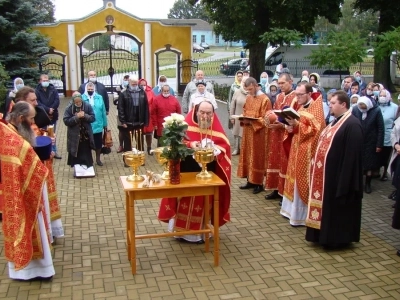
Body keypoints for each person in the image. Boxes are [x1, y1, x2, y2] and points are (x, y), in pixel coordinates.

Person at [158, 101, 231, 243]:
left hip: (207, 175)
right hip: (187, 171)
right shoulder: (186, 125)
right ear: (196, 111)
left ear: (213, 114)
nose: (205, 116)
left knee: (203, 202)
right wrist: (191, 144)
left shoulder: (216, 129)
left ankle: (200, 234)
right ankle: (181, 233)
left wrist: (216, 150)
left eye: (208, 113)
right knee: (184, 199)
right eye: (202, 112)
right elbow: (176, 144)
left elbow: (225, 146)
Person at [1, 101, 55, 280]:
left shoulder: (9, 132)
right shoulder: (13, 139)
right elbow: (32, 167)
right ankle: (35, 271)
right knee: (28, 228)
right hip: (22, 194)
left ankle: (32, 269)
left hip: (19, 192)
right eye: (31, 119)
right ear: (21, 118)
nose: (33, 123)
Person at [306, 90, 363, 248]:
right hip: (326, 177)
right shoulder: (336, 121)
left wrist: (343, 182)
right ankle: (320, 235)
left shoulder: (352, 125)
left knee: (337, 210)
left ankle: (336, 239)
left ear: (343, 104)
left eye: (332, 103)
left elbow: (352, 158)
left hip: (339, 179)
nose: (329, 106)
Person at [14, 87, 64, 240]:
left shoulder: (33, 113)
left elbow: (38, 133)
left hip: (43, 165)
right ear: (22, 101)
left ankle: (48, 231)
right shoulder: (17, 123)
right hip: (31, 172)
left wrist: (48, 143)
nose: (36, 102)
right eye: (33, 100)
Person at [280, 83, 326, 226]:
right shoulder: (300, 106)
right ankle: (289, 211)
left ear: (309, 94)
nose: (297, 97)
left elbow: (316, 131)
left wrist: (296, 125)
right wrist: (290, 126)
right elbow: (297, 128)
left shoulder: (317, 109)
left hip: (307, 152)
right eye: (296, 94)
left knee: (302, 180)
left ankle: (300, 216)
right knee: (292, 178)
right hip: (296, 148)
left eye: (300, 95)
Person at [264, 73, 300, 201]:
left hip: (287, 134)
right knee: (275, 160)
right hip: (276, 134)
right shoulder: (278, 96)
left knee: (285, 162)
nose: (280, 86)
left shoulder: (296, 97)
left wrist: (283, 124)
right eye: (279, 83)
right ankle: (275, 188)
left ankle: (284, 192)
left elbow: (296, 117)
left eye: (283, 83)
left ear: (290, 82)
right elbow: (274, 111)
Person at [237, 77, 272, 194]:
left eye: (251, 89)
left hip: (259, 134)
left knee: (257, 157)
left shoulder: (265, 99)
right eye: (247, 90)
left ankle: (258, 183)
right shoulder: (248, 97)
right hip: (248, 132)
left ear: (256, 85)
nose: (249, 92)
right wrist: (243, 118)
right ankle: (249, 180)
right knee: (248, 154)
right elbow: (245, 111)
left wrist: (252, 121)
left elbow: (266, 118)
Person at [351, 96, 384, 194]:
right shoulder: (355, 110)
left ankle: (368, 184)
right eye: (360, 105)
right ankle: (358, 184)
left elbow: (381, 128)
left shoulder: (376, 111)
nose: (362, 108)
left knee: (369, 165)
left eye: (363, 106)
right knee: (358, 164)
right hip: (358, 141)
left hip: (371, 142)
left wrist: (379, 144)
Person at [117, 75, 149, 166]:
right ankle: (127, 161)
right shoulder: (123, 93)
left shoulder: (142, 92)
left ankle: (140, 160)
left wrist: (146, 121)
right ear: (129, 83)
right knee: (128, 143)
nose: (134, 85)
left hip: (140, 121)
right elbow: (121, 108)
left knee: (140, 142)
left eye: (136, 83)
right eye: (132, 83)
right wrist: (123, 121)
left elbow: (146, 107)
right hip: (128, 122)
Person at [63, 93, 96, 168]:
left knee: (86, 151)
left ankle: (88, 166)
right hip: (74, 136)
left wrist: (85, 115)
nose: (78, 103)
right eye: (76, 102)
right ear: (73, 102)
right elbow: (66, 121)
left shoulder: (87, 105)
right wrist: (76, 117)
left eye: (79, 102)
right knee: (76, 151)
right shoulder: (69, 108)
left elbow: (93, 118)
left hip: (85, 135)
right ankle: (77, 167)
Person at [35, 74, 61, 159]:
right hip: (42, 116)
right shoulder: (37, 91)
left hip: (53, 115)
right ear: (40, 81)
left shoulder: (53, 89)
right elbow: (38, 102)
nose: (45, 82)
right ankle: (46, 151)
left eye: (47, 80)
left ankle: (54, 151)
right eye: (43, 81)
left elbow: (57, 100)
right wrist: (47, 109)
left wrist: (52, 109)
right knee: (44, 133)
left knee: (52, 133)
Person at [81, 82, 107, 166]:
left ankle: (98, 159)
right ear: (86, 89)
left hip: (98, 124)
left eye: (92, 89)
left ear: (94, 89)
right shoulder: (82, 97)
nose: (90, 91)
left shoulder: (99, 97)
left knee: (98, 143)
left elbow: (103, 111)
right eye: (88, 89)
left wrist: (105, 124)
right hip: (87, 125)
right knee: (87, 143)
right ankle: (89, 160)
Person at [378, 89, 398, 181]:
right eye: (380, 95)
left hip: (388, 135)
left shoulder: (394, 107)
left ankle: (385, 172)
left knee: (386, 155)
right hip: (378, 135)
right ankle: (376, 170)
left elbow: (396, 122)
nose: (382, 97)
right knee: (378, 154)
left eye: (384, 95)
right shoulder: (377, 106)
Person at [229, 80, 248, 155]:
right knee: (236, 133)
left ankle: (244, 150)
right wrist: (231, 117)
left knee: (244, 134)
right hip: (237, 115)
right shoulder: (237, 92)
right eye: (243, 82)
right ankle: (236, 149)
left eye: (246, 83)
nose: (245, 84)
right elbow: (232, 105)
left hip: (247, 117)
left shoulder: (251, 93)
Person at [139, 78, 156, 155]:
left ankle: (149, 147)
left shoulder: (150, 92)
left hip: (149, 115)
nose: (143, 86)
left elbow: (154, 103)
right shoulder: (137, 92)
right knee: (140, 133)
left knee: (149, 133)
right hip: (139, 116)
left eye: (144, 85)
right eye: (141, 85)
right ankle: (140, 148)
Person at [114, 75, 129, 153]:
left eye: (128, 79)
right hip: (120, 112)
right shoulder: (118, 88)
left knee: (128, 129)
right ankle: (120, 145)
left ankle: (128, 146)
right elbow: (115, 100)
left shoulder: (131, 88)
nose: (126, 80)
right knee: (121, 129)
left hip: (129, 113)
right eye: (125, 79)